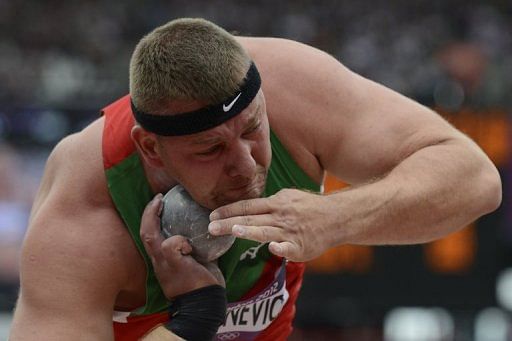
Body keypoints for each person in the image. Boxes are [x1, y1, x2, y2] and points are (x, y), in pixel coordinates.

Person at [9, 17, 501, 340]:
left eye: (251, 130)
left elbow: (475, 179)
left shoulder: (292, 86)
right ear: (150, 148)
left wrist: (335, 216)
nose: (246, 165)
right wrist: (195, 318)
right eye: (212, 149)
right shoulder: (86, 217)